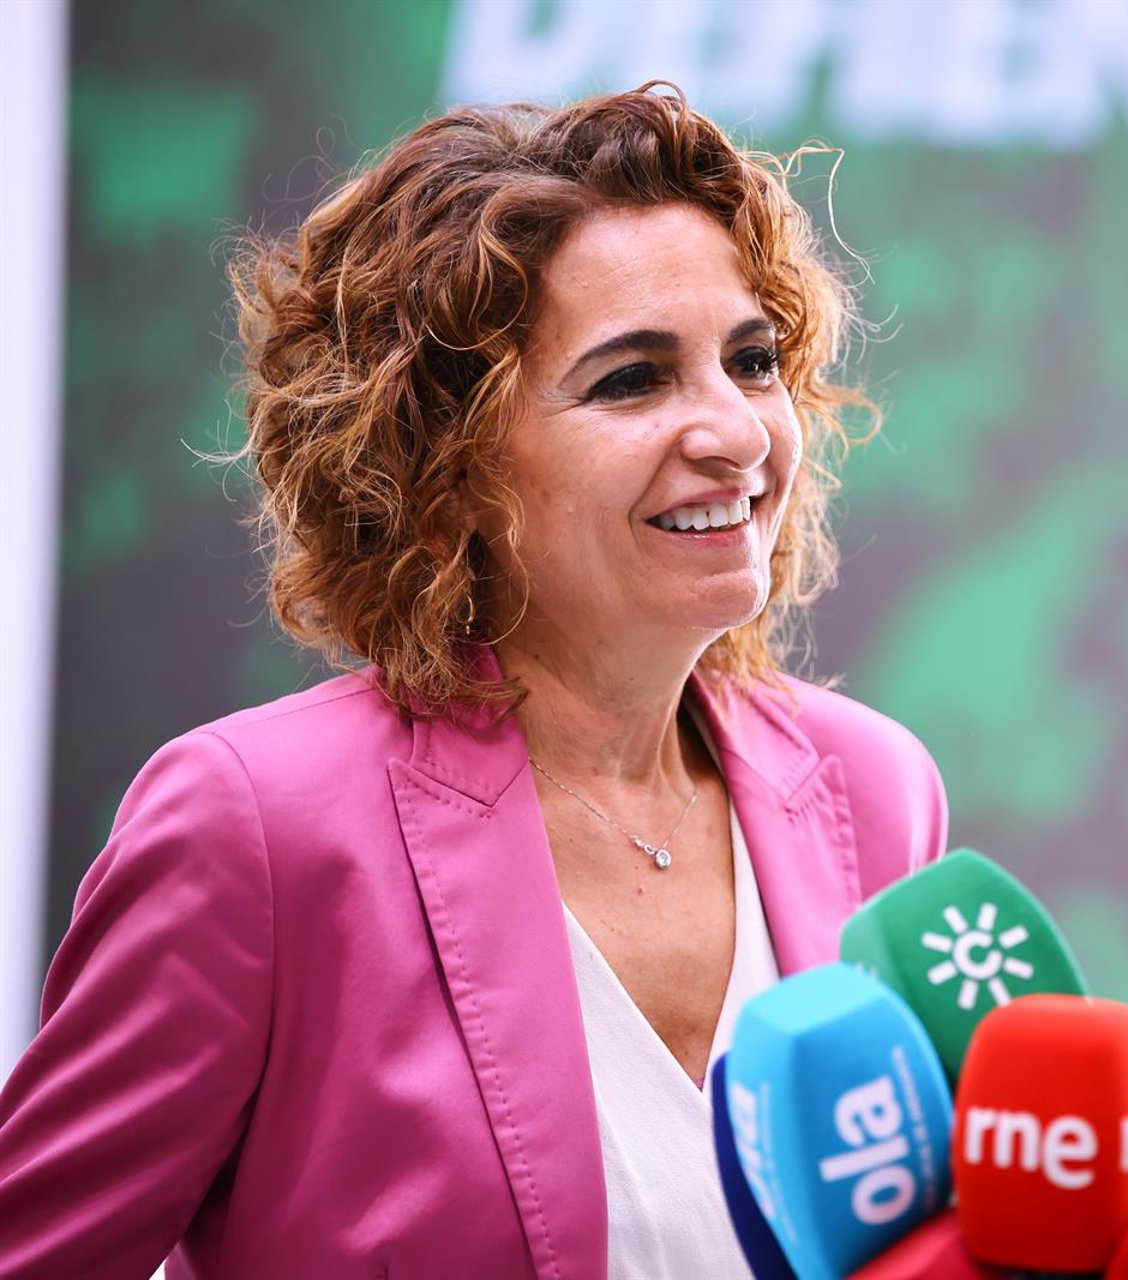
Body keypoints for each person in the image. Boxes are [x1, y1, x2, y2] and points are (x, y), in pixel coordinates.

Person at [0, 84, 947, 1279]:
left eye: (751, 360)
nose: (739, 432)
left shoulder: (875, 786)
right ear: (446, 462)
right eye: (632, 379)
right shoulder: (256, 827)